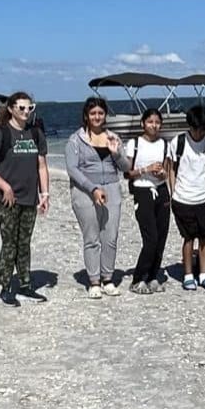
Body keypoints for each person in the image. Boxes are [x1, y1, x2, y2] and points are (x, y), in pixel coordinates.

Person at [0, 91, 51, 306]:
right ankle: (5, 286)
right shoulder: (1, 134)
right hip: (6, 199)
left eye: (29, 107)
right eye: (21, 107)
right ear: (11, 109)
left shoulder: (36, 133)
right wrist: (5, 187)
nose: (26, 112)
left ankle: (25, 285)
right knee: (10, 241)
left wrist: (44, 193)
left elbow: (41, 165)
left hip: (29, 197)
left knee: (24, 242)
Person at [63, 97, 128, 300]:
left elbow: (126, 167)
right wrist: (92, 189)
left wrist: (116, 154)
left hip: (111, 189)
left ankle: (108, 278)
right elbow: (72, 169)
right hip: (84, 191)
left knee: (110, 236)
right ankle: (94, 281)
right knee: (91, 237)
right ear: (86, 116)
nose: (97, 117)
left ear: (105, 115)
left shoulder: (113, 137)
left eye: (100, 113)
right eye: (93, 113)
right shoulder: (76, 140)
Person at [167, 105, 205, 291]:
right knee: (188, 238)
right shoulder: (178, 141)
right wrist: (173, 192)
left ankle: (204, 274)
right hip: (183, 198)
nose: (198, 132)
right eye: (195, 128)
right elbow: (171, 168)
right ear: (189, 125)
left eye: (202, 128)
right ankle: (188, 274)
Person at [124, 109, 171, 294]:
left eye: (157, 122)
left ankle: (152, 276)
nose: (154, 125)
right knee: (150, 238)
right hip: (142, 191)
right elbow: (127, 172)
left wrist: (161, 173)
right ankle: (137, 278)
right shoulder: (134, 144)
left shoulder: (164, 145)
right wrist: (146, 169)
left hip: (161, 190)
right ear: (143, 123)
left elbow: (167, 171)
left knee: (161, 237)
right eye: (150, 121)